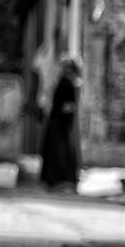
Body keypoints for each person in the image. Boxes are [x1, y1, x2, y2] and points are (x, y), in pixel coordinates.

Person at [40, 55, 81, 192]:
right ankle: (59, 181)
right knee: (59, 152)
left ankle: (59, 181)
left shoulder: (67, 82)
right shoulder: (66, 82)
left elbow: (68, 106)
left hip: (60, 123)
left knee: (59, 152)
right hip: (60, 123)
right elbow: (68, 106)